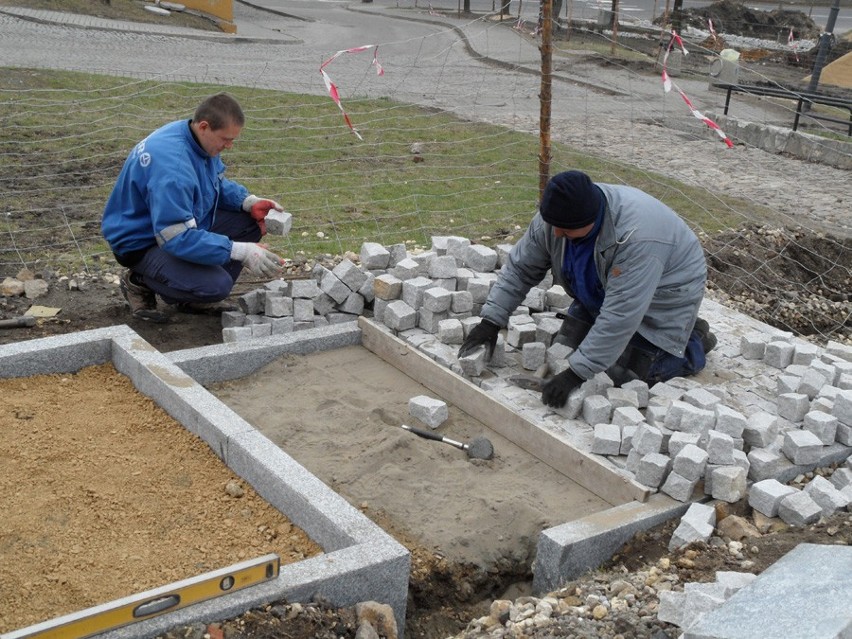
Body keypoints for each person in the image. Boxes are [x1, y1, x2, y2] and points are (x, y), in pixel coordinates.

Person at [458, 170, 716, 408]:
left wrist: (575, 375)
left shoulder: (636, 240)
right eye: (554, 225)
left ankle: (690, 340)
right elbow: (520, 269)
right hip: (609, 286)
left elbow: (619, 316)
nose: (556, 233)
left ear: (590, 220)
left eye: (566, 229)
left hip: (665, 294)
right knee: (567, 344)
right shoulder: (557, 216)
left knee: (625, 376)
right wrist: (491, 320)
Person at [102, 92, 285, 323]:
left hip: (176, 223)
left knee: (250, 222)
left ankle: (190, 295)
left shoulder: (193, 137)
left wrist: (247, 202)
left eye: (233, 140)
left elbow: (212, 182)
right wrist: (241, 251)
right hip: (140, 241)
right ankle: (140, 281)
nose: (229, 146)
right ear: (204, 126)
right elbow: (176, 237)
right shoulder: (174, 169)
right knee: (217, 286)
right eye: (225, 139)